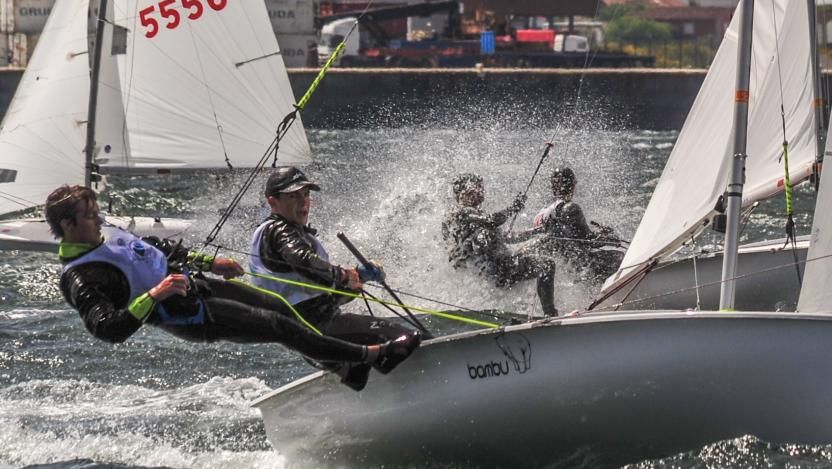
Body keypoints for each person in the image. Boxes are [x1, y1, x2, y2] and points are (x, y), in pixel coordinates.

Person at [48, 184, 418, 390]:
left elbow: (154, 249)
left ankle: (347, 370)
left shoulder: (104, 230)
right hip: (188, 315)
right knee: (278, 328)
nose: (99, 217)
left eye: (97, 210)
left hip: (199, 286)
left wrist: (211, 263)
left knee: (281, 310)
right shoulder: (81, 276)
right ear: (67, 225)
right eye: (90, 214)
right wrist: (155, 295)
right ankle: (370, 356)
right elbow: (107, 329)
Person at [248, 166, 415, 350]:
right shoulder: (278, 230)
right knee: (407, 339)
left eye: (305, 194)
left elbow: (323, 298)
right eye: (293, 196)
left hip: (310, 334)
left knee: (371, 361)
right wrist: (342, 275)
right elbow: (302, 261)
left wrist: (358, 279)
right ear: (273, 202)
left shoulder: (289, 235)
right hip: (316, 326)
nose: (303, 202)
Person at [442, 173, 558, 317]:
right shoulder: (459, 213)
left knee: (543, 242)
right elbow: (491, 220)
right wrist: (513, 208)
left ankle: (544, 314)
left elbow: (507, 237)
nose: (479, 193)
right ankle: (550, 314)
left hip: (501, 266)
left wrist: (538, 230)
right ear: (460, 195)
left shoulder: (477, 215)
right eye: (473, 191)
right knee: (546, 265)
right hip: (495, 271)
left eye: (480, 188)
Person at [528, 166, 624, 281]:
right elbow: (591, 241)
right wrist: (610, 237)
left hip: (559, 266)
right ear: (572, 186)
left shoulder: (542, 212)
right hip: (577, 265)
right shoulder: (570, 208)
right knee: (621, 257)